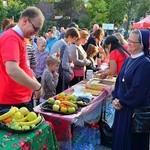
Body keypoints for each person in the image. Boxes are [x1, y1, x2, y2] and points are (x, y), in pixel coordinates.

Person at [0, 6, 45, 110]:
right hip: (12, 101)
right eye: (36, 28)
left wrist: (36, 84)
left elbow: (25, 68)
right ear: (25, 20)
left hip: (19, 99)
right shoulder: (11, 37)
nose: (36, 33)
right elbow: (13, 70)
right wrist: (37, 87)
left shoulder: (19, 38)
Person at [112, 29, 150, 150]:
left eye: (133, 42)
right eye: (129, 40)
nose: (129, 44)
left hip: (133, 111)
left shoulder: (145, 63)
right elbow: (118, 82)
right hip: (122, 108)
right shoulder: (128, 59)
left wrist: (121, 102)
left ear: (142, 44)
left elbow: (137, 90)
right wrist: (115, 97)